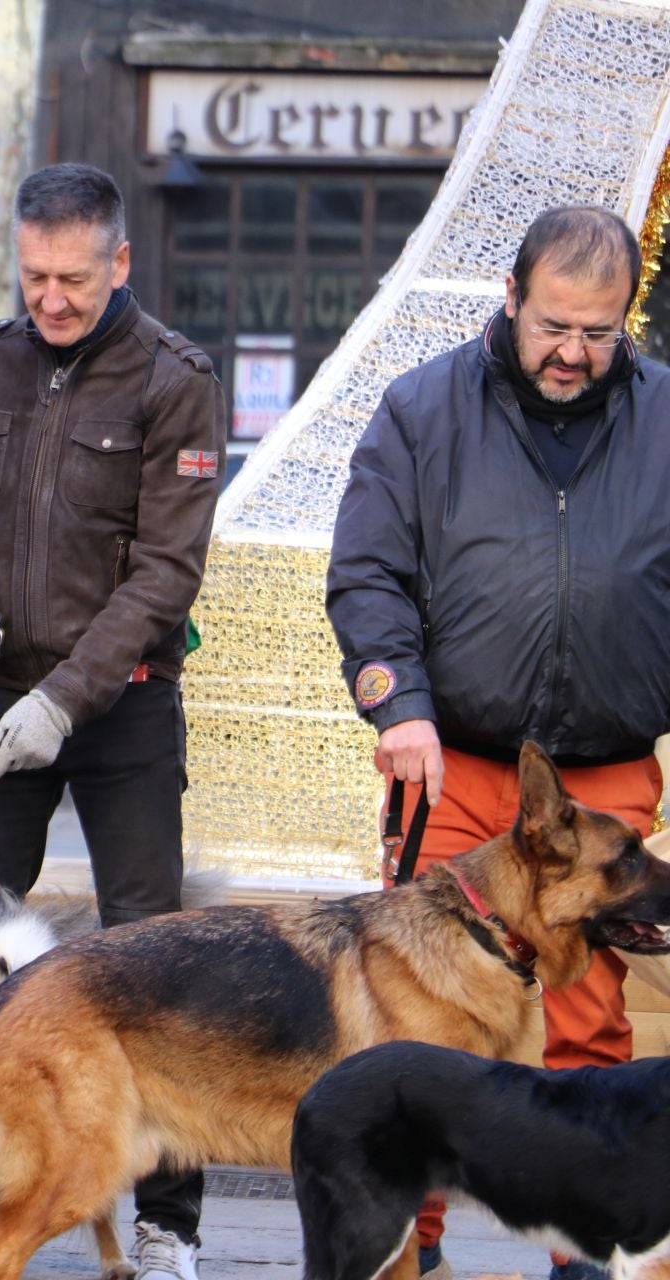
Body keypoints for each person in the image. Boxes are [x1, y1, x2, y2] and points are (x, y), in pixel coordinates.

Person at [327, 204, 670, 1280]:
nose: (573, 351)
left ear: (628, 319)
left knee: (584, 1023)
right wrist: (400, 704)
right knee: (422, 1031)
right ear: (511, 299)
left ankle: (580, 1254)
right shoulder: (421, 410)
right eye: (555, 323)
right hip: (463, 771)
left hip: (605, 780)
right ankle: (404, 1251)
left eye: (600, 331)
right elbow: (368, 573)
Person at [0, 163, 224, 1280]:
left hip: (125, 709)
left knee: (154, 958)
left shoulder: (174, 377)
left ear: (120, 264)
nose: (51, 298)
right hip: (1, 699)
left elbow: (164, 576)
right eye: (35, 275)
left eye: (75, 278)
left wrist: (64, 699)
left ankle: (169, 1224)